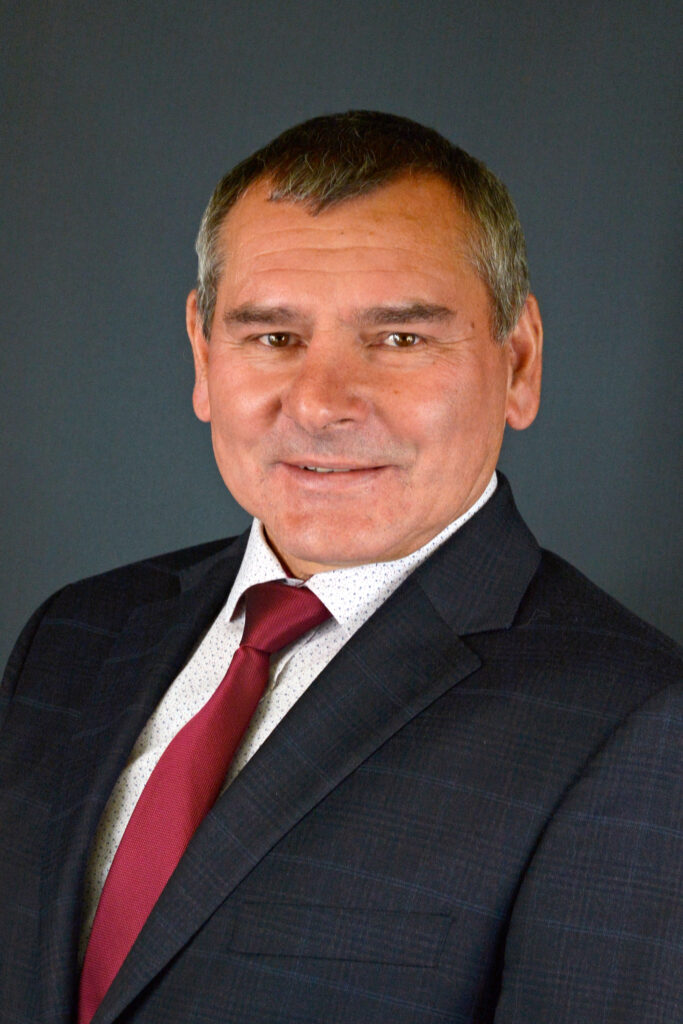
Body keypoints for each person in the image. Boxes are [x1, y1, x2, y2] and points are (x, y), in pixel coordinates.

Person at [1, 111, 680, 1024]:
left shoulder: (635, 726)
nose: (321, 404)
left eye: (400, 339)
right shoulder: (74, 636)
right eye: (273, 338)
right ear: (203, 354)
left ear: (518, 363)